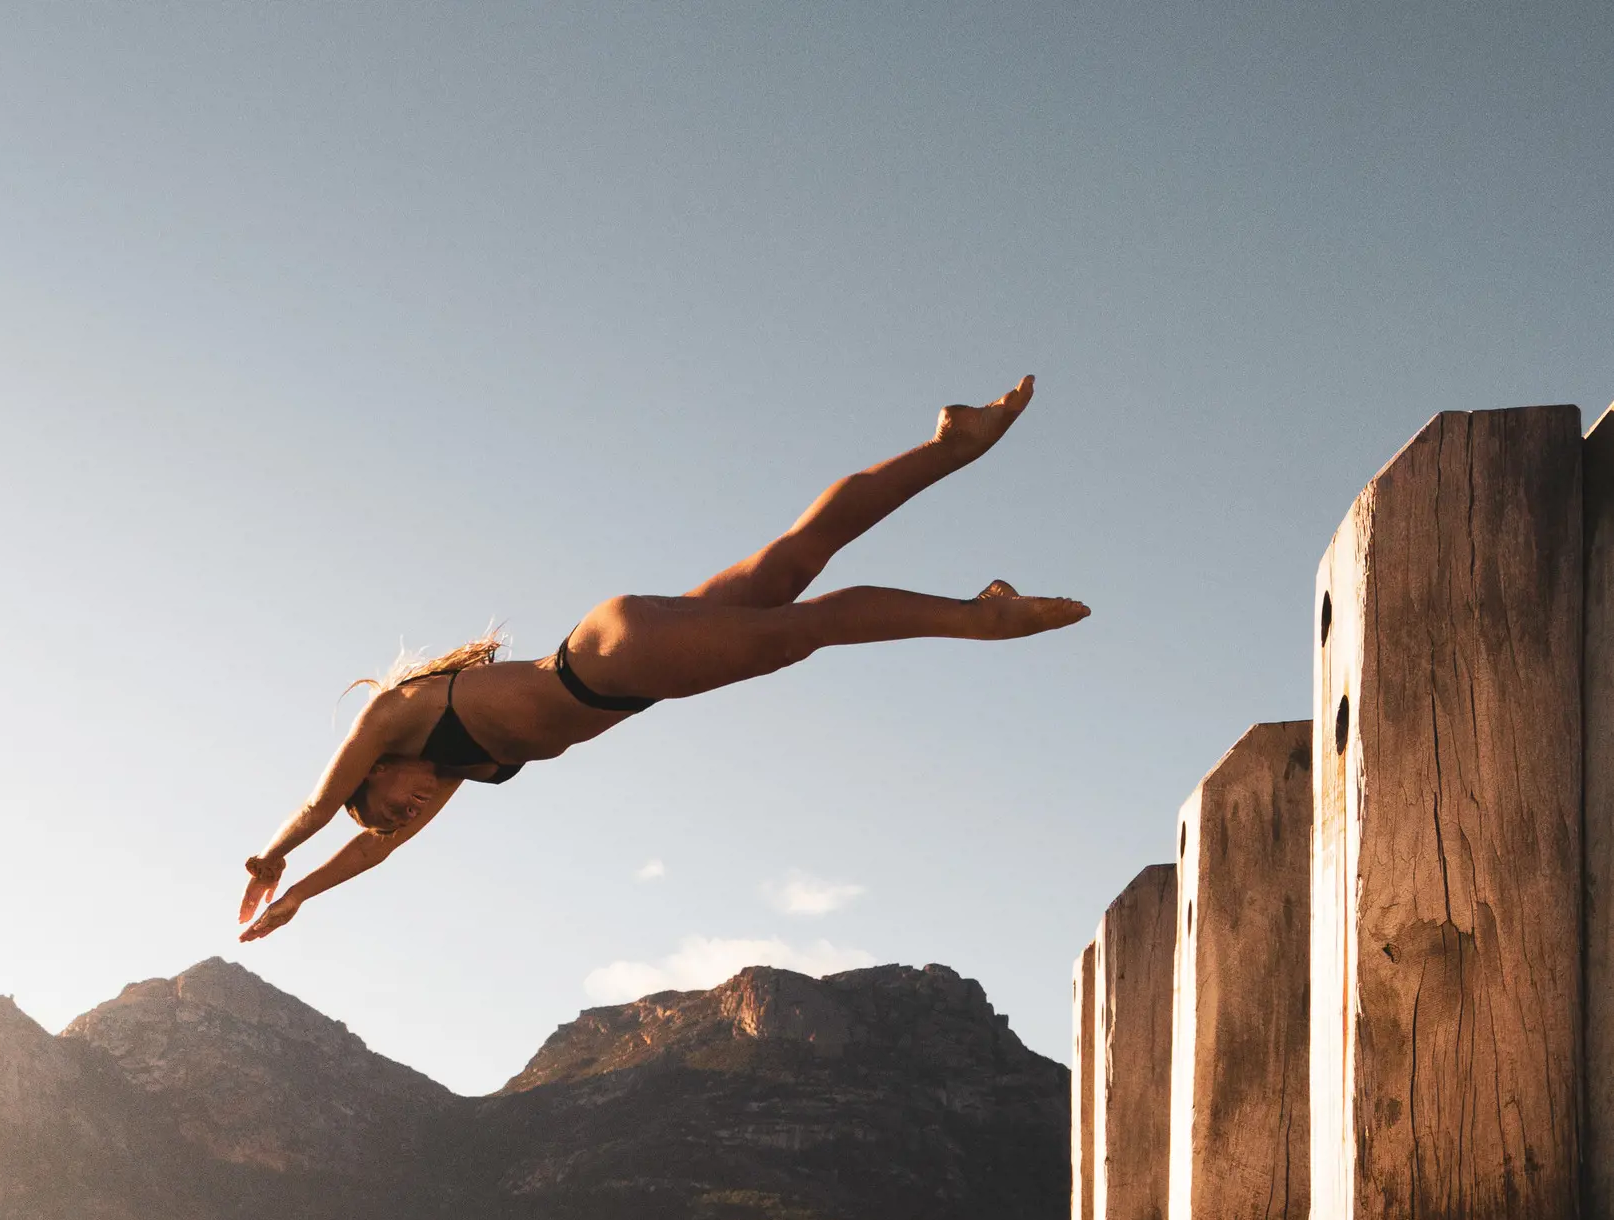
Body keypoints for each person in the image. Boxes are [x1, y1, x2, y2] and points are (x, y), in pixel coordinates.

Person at [236, 376, 1085, 945]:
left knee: (805, 626)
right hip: (625, 656)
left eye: (384, 806)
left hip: (613, 660)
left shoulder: (399, 716)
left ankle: (977, 617)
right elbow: (374, 853)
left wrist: (275, 856)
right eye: (397, 816)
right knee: (792, 559)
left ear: (372, 773)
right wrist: (303, 897)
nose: (404, 812)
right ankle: (953, 441)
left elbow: (320, 803)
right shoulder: (446, 766)